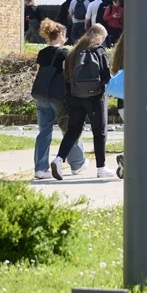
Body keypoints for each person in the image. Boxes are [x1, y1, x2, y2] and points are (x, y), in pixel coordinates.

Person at [53, 23, 111, 180]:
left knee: (73, 130)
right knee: (99, 132)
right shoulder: (99, 51)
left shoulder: (73, 52)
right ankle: (101, 167)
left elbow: (66, 77)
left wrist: (70, 95)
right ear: (100, 37)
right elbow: (106, 76)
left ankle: (58, 159)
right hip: (95, 97)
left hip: (75, 97)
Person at [31, 19, 86, 179]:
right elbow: (68, 75)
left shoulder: (42, 52)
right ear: (61, 35)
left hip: (40, 94)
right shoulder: (65, 53)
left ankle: (40, 168)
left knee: (44, 132)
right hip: (57, 96)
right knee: (68, 129)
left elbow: (39, 72)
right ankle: (77, 163)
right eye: (65, 35)